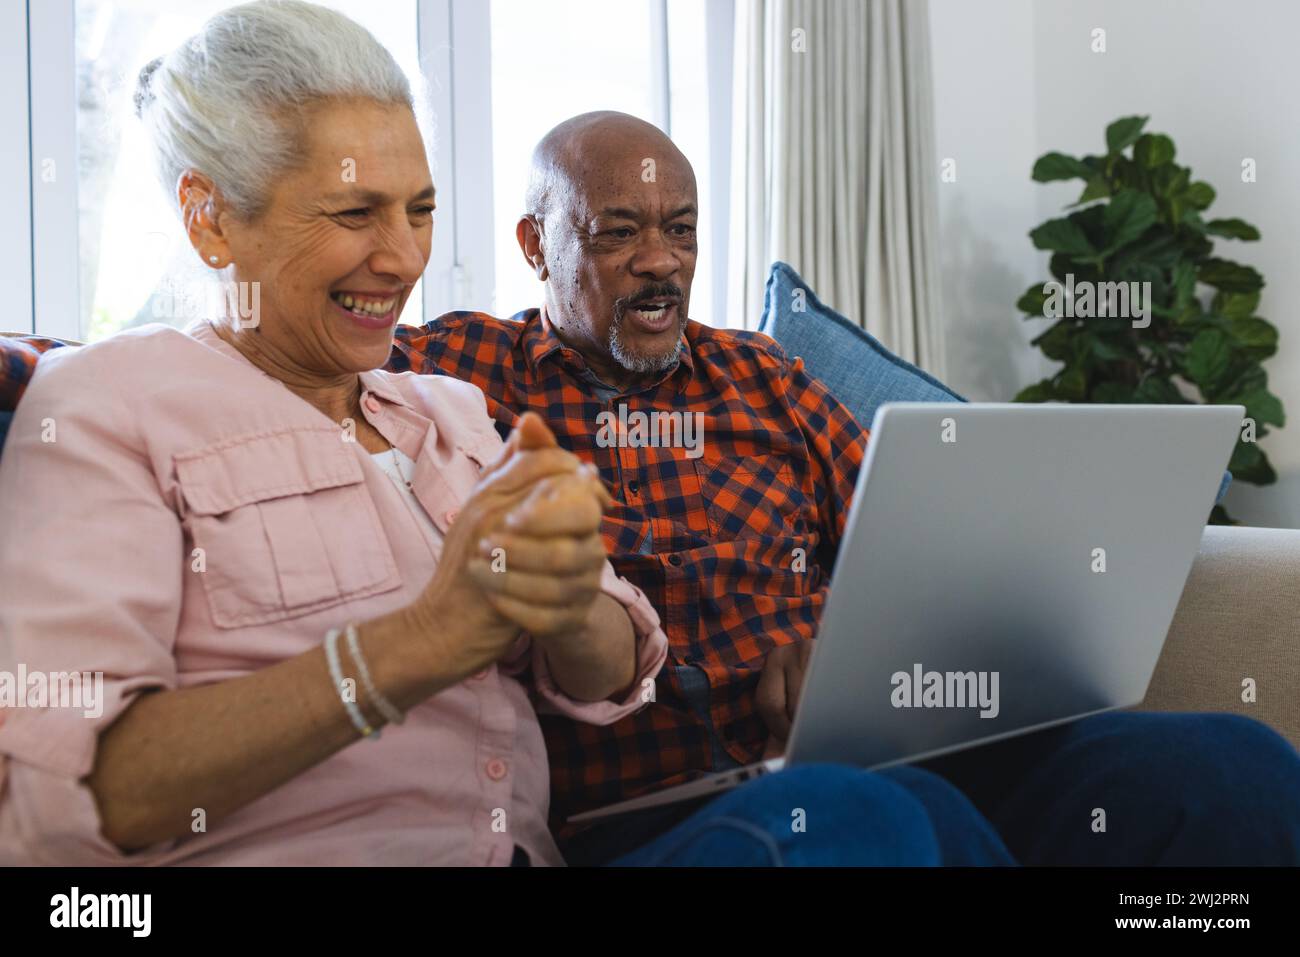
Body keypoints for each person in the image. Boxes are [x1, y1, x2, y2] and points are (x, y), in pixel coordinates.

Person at [0, 1, 988, 868]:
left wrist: (568, 604)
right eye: (355, 213)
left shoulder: (444, 414)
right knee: (852, 822)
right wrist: (427, 639)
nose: (401, 259)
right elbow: (69, 802)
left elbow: (610, 662)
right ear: (211, 222)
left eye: (420, 212)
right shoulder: (106, 406)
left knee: (949, 801)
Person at [388, 110, 1300, 866]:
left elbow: (919, 554)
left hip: (862, 752)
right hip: (649, 811)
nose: (662, 261)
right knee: (878, 819)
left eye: (681, 230)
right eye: (619, 232)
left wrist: (848, 645)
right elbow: (305, 360)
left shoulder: (765, 378)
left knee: (1231, 765)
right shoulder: (459, 372)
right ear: (534, 246)